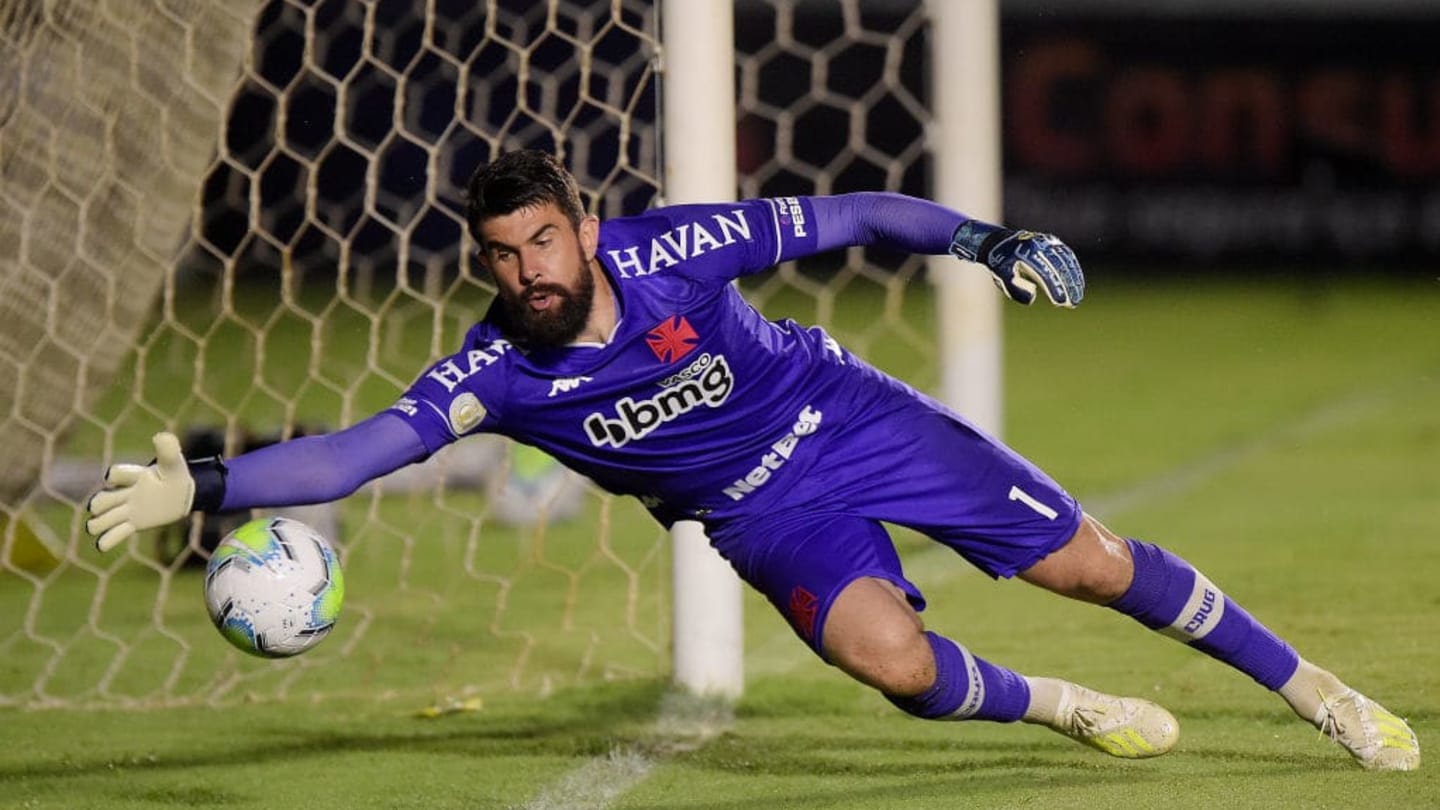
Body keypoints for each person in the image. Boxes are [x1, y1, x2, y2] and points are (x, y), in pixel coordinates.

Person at [86, 149, 1419, 770]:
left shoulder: (674, 246)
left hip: (849, 418)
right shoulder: (495, 371)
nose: (524, 271)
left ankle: (1319, 693)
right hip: (754, 506)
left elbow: (855, 210)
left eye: (542, 241)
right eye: (500, 255)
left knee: (1092, 560)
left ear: (585, 228)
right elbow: (358, 452)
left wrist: (988, 244)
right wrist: (202, 487)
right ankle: (1064, 707)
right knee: (890, 665)